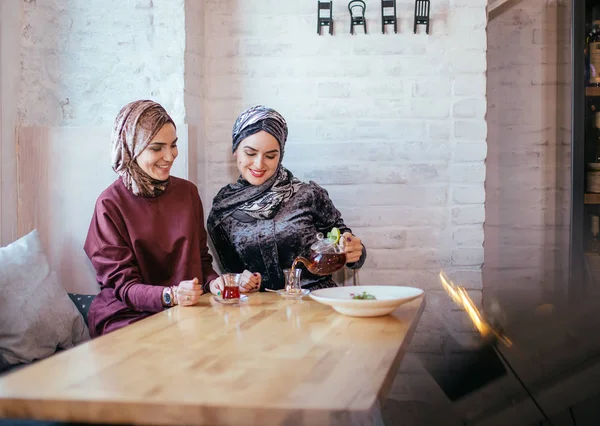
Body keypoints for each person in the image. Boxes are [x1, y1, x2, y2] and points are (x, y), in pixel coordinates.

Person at [84, 100, 222, 338]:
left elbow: (201, 260)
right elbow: (124, 287)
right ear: (131, 148)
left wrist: (213, 283)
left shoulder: (187, 193)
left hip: (184, 311)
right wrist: (170, 295)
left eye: (174, 145)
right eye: (157, 148)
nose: (169, 156)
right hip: (127, 316)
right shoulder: (109, 204)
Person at [207, 105, 366, 293]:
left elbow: (346, 244)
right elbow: (233, 275)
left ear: (280, 155)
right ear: (235, 150)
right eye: (250, 153)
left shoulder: (308, 195)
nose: (259, 163)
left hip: (316, 304)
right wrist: (244, 281)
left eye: (270, 155)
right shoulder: (223, 211)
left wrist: (355, 251)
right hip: (260, 312)